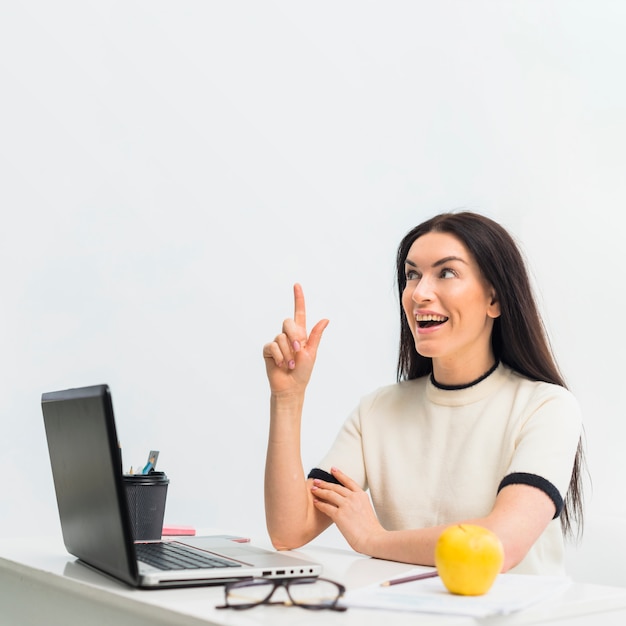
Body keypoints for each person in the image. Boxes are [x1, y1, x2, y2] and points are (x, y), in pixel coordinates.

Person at [262, 211, 585, 575]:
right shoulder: (377, 411)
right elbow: (289, 530)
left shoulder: (546, 407)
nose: (419, 293)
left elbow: (497, 545)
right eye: (412, 275)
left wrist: (374, 540)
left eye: (446, 272)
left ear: (494, 299)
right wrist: (287, 399)